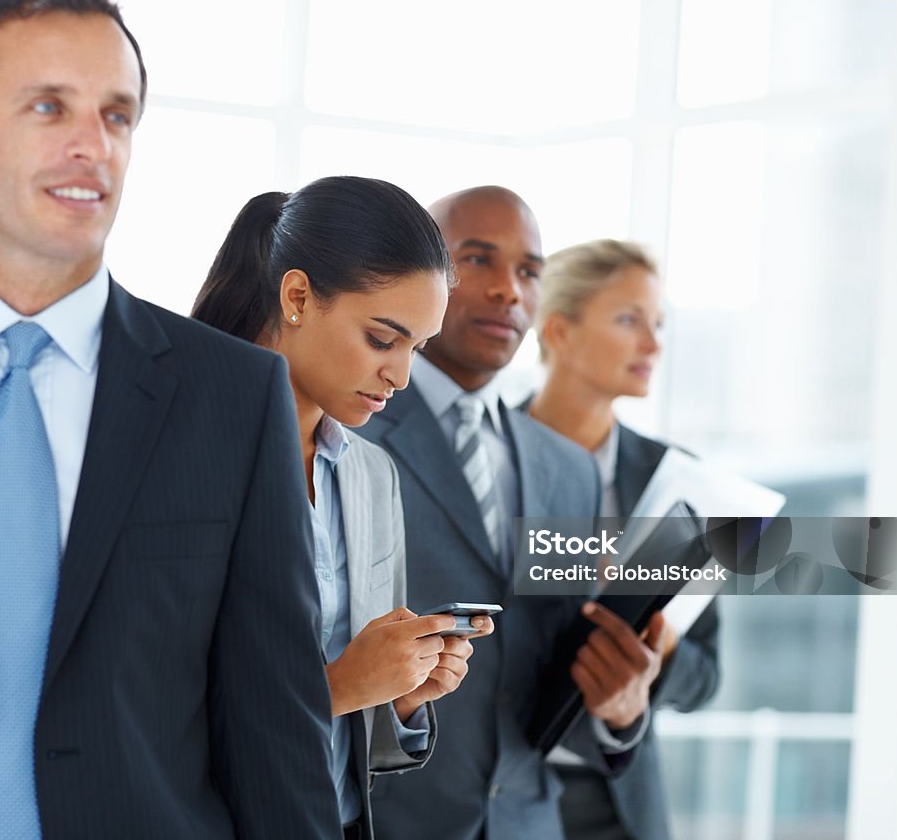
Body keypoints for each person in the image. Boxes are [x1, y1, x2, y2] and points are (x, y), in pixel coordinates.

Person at [0, 0, 340, 838]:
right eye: (47, 106)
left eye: (117, 114)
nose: (92, 145)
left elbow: (275, 730)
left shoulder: (234, 397)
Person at [359, 186, 667, 840]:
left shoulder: (568, 470)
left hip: (529, 821)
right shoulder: (352, 433)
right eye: (477, 260)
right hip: (389, 822)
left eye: (529, 271)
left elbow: (546, 676)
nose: (508, 290)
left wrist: (621, 709)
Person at [192, 176, 494, 839]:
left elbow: (354, 748)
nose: (402, 376)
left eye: (417, 347)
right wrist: (339, 686)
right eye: (384, 339)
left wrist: (401, 697)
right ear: (297, 296)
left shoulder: (370, 475)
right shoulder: (179, 455)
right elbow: (138, 719)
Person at [527, 238, 721, 840]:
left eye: (658, 324)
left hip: (619, 804)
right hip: (492, 793)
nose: (653, 344)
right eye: (629, 319)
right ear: (558, 331)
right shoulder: (483, 459)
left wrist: (654, 645)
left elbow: (706, 679)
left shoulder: (681, 480)